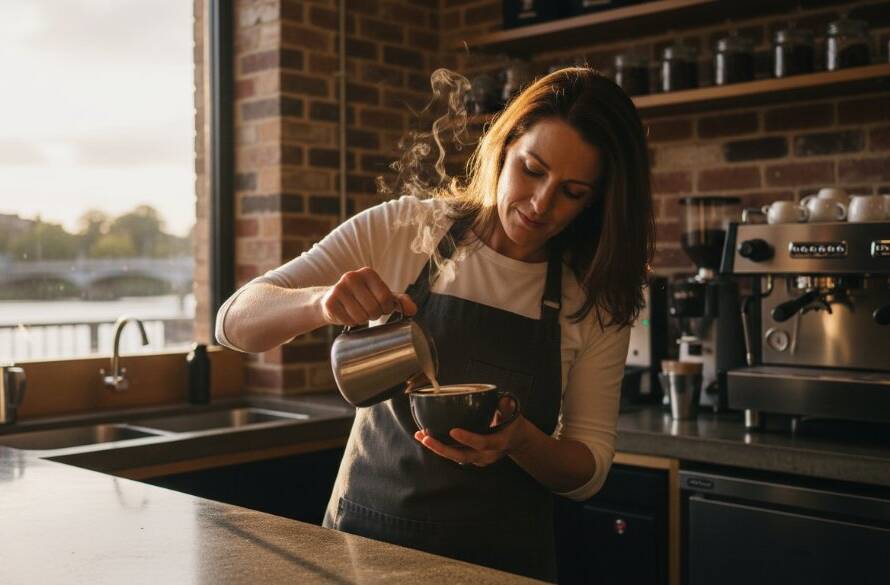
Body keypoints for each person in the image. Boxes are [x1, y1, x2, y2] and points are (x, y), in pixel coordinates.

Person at [215, 67, 654, 582]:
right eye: (532, 170)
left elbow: (588, 472)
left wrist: (520, 442)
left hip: (499, 566)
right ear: (504, 148)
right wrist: (321, 303)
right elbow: (234, 323)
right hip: (362, 550)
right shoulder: (405, 228)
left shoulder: (593, 296)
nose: (541, 204)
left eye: (572, 192)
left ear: (598, 200)